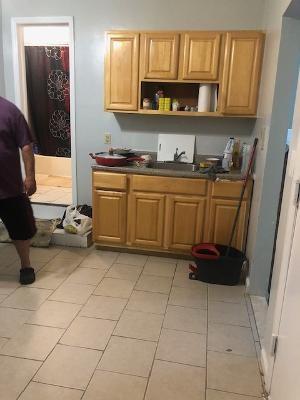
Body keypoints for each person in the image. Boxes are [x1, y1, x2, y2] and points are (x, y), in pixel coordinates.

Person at [0, 96, 37, 284]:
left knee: (20, 230)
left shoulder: (10, 111)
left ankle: (26, 265)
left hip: (9, 187)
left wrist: (30, 176)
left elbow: (26, 146)